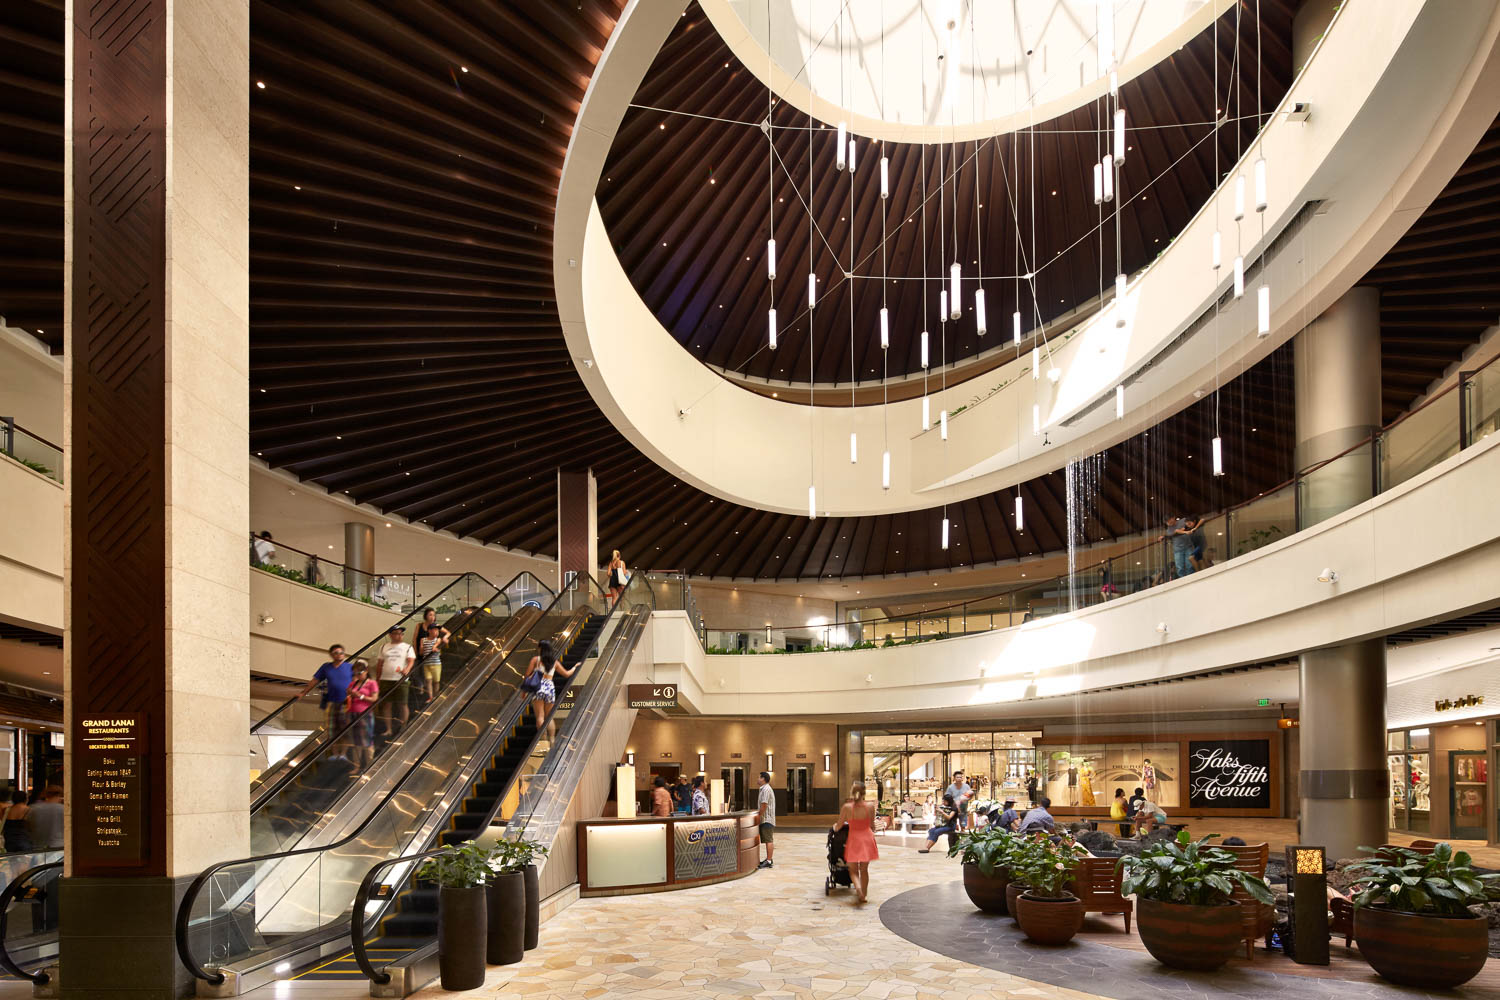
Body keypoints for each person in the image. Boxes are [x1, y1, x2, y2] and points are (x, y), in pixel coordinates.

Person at [833, 780, 879, 903]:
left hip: (854, 839)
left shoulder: (847, 807)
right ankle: (864, 894)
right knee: (864, 869)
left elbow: (838, 826)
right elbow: (872, 825)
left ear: (852, 792)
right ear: (864, 793)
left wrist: (834, 827)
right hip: (867, 839)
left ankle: (858, 888)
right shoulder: (870, 806)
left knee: (853, 870)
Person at [521, 638, 575, 742]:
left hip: (538, 687)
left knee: (540, 716)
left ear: (540, 648)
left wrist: (524, 691)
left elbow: (527, 676)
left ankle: (544, 739)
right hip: (550, 688)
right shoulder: (554, 662)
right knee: (549, 717)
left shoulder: (535, 660)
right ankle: (552, 739)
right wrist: (574, 668)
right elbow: (566, 674)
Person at [297, 643, 353, 734]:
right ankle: (332, 743)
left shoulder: (350, 667)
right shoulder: (326, 667)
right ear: (331, 655)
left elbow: (358, 681)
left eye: (341, 652)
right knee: (331, 729)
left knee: (345, 729)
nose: (339, 654)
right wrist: (303, 693)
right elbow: (315, 680)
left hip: (347, 702)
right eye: (336, 653)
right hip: (331, 702)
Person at [375, 624, 415, 739]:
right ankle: (388, 729)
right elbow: (379, 664)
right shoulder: (383, 647)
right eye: (397, 633)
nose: (399, 635)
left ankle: (403, 727)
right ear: (391, 635)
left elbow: (411, 661)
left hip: (401, 679)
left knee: (403, 703)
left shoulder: (407, 647)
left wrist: (407, 669)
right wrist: (378, 679)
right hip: (386, 679)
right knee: (387, 704)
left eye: (401, 633)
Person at [345, 660, 379, 768]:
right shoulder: (353, 684)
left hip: (365, 714)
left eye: (360, 673)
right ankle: (356, 766)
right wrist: (349, 694)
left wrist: (360, 696)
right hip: (352, 713)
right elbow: (348, 697)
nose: (358, 675)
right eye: (355, 673)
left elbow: (374, 699)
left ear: (366, 671)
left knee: (367, 740)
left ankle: (369, 765)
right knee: (356, 742)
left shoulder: (372, 683)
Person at [413, 607, 450, 703]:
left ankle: (430, 695)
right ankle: (422, 689)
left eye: (434, 615)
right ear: (426, 616)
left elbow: (448, 633)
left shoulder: (436, 626)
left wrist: (445, 638)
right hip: (421, 651)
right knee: (417, 672)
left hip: (432, 656)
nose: (432, 617)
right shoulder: (419, 625)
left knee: (429, 677)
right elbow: (415, 639)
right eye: (430, 615)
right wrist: (416, 651)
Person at [755, 771, 776, 869]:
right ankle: (768, 859)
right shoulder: (763, 789)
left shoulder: (766, 789)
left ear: (763, 779)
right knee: (768, 839)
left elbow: (764, 805)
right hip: (765, 818)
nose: (758, 779)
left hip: (767, 819)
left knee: (768, 840)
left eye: (759, 777)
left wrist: (759, 815)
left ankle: (769, 860)